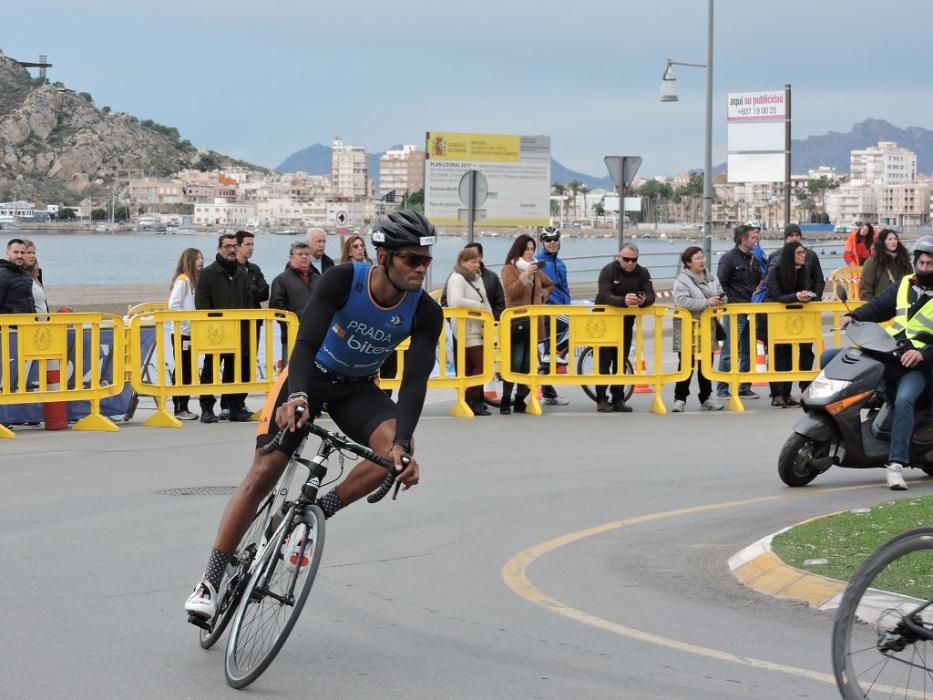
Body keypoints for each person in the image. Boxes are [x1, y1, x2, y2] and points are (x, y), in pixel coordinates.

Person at [184, 210, 442, 623]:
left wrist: (401, 442)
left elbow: (414, 384)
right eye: (412, 259)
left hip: (356, 389)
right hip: (309, 376)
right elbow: (304, 344)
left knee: (398, 452)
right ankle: (209, 581)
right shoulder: (343, 280)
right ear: (383, 256)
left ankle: (313, 515)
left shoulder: (425, 311)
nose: (422, 268)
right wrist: (298, 395)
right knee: (266, 469)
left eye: (427, 260)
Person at [823, 236, 933, 491]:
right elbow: (878, 306)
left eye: (930, 264)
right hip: (888, 351)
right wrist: (854, 316)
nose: (925, 267)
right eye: (922, 262)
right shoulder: (906, 284)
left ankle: (895, 465)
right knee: (830, 358)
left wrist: (923, 355)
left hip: (917, 365)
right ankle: (832, 419)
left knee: (905, 400)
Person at [195, 233, 252, 424]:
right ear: (219, 248)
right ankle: (207, 408)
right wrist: (212, 325)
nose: (231, 249)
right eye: (227, 246)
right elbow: (202, 303)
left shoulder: (242, 275)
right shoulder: (208, 274)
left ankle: (234, 407)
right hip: (215, 332)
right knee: (210, 370)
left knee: (236, 370)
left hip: (237, 331)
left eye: (234, 246)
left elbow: (248, 303)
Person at [593, 243, 655, 413]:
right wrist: (623, 301)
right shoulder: (608, 270)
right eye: (625, 259)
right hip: (604, 322)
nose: (629, 263)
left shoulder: (642, 272)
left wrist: (643, 301)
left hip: (626, 321)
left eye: (633, 260)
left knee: (621, 359)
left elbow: (651, 295)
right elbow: (604, 294)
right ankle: (601, 398)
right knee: (603, 360)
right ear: (618, 257)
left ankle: (618, 398)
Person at [500, 234, 555, 414]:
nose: (531, 252)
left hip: (534, 322)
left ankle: (520, 399)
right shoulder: (510, 268)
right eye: (527, 249)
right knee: (514, 361)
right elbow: (511, 292)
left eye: (532, 249)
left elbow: (550, 284)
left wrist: (542, 296)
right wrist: (525, 275)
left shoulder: (535, 269)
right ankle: (506, 398)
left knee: (528, 363)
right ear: (519, 250)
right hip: (516, 322)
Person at [764, 241, 819, 407]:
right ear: (790, 255)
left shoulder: (803, 270)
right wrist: (796, 296)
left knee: (788, 354)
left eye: (804, 252)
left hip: (791, 317)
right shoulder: (776, 270)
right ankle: (776, 394)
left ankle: (786, 394)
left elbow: (804, 289)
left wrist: (808, 296)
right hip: (773, 317)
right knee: (775, 355)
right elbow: (775, 295)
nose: (804, 255)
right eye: (799, 253)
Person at [671, 246, 725, 412]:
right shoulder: (682, 280)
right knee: (686, 363)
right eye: (697, 258)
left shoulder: (711, 277)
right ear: (688, 263)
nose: (702, 260)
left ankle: (706, 397)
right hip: (688, 327)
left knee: (706, 364)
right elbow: (682, 301)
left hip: (708, 327)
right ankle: (679, 399)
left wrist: (721, 300)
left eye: (702, 257)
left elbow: (722, 293)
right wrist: (707, 302)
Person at [444, 246, 493, 416]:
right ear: (463, 262)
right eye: (473, 262)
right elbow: (456, 300)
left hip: (478, 327)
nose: (477, 265)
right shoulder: (457, 278)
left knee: (471, 365)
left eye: (478, 261)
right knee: (480, 365)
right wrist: (479, 307)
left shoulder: (476, 278)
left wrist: (491, 319)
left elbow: (485, 298)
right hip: (467, 328)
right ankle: (472, 400)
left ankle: (470, 399)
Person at [716, 224, 762, 400]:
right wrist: (731, 301)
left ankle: (744, 387)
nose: (756, 239)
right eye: (752, 237)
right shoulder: (729, 259)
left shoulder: (753, 260)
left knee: (749, 350)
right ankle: (722, 388)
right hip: (735, 310)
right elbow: (722, 282)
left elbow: (758, 281)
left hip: (750, 309)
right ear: (743, 239)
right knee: (729, 349)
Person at [535, 227, 571, 406]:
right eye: (548, 240)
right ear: (542, 242)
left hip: (563, 308)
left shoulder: (562, 263)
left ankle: (548, 392)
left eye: (555, 239)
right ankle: (549, 358)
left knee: (553, 354)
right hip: (549, 310)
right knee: (573, 328)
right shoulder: (539, 261)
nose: (552, 242)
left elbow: (564, 287)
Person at [168, 248, 203, 420]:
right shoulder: (183, 281)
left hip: (191, 333)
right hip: (182, 333)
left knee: (189, 369)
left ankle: (184, 406)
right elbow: (173, 305)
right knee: (182, 369)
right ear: (190, 260)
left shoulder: (194, 281)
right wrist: (188, 321)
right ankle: (179, 407)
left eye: (202, 258)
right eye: (197, 258)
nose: (201, 261)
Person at [269, 241, 317, 362]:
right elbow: (276, 309)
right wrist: (295, 323)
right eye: (300, 254)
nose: (304, 257)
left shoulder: (318, 279)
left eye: (307, 254)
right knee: (290, 374)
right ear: (291, 258)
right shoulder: (281, 280)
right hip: (292, 337)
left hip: (316, 337)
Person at [438, 242, 506, 322]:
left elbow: (499, 304)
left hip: (486, 326)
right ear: (463, 261)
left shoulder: (490, 277)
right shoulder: (455, 277)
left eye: (475, 256)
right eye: (472, 259)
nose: (476, 264)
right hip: (463, 327)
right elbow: (445, 300)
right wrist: (453, 321)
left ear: (481, 257)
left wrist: (490, 321)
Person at [859, 228, 912, 302]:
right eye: (889, 239)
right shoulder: (872, 263)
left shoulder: (904, 261)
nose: (893, 241)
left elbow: (911, 284)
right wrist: (870, 309)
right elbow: (866, 290)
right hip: (880, 306)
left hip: (901, 303)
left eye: (895, 239)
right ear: (882, 242)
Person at [235, 230, 269, 310]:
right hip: (237, 318)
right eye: (247, 244)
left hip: (255, 319)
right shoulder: (230, 269)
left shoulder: (255, 269)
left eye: (252, 245)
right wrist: (255, 289)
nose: (251, 248)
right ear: (238, 246)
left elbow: (265, 294)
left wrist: (251, 290)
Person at [0, 239, 33, 313]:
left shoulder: (27, 275)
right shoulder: (2, 274)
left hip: (28, 322)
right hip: (10, 323)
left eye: (22, 252)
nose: (19, 255)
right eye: (16, 252)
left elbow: (30, 302)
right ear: (7, 253)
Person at [21, 239, 48, 313]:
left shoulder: (36, 275)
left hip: (43, 322)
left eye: (33, 253)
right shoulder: (16, 276)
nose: (32, 256)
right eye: (29, 253)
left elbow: (43, 302)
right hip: (30, 322)